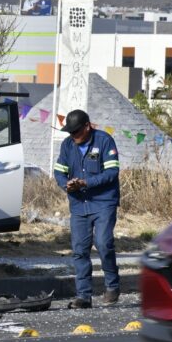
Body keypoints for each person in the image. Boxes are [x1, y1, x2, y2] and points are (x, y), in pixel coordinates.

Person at [53, 109, 121, 308]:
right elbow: (59, 172)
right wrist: (67, 184)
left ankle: (112, 285)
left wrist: (86, 183)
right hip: (79, 204)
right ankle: (84, 296)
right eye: (70, 132)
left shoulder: (104, 141)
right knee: (79, 250)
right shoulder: (67, 145)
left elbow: (112, 172)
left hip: (103, 202)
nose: (73, 136)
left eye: (76, 132)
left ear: (87, 126)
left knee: (103, 243)